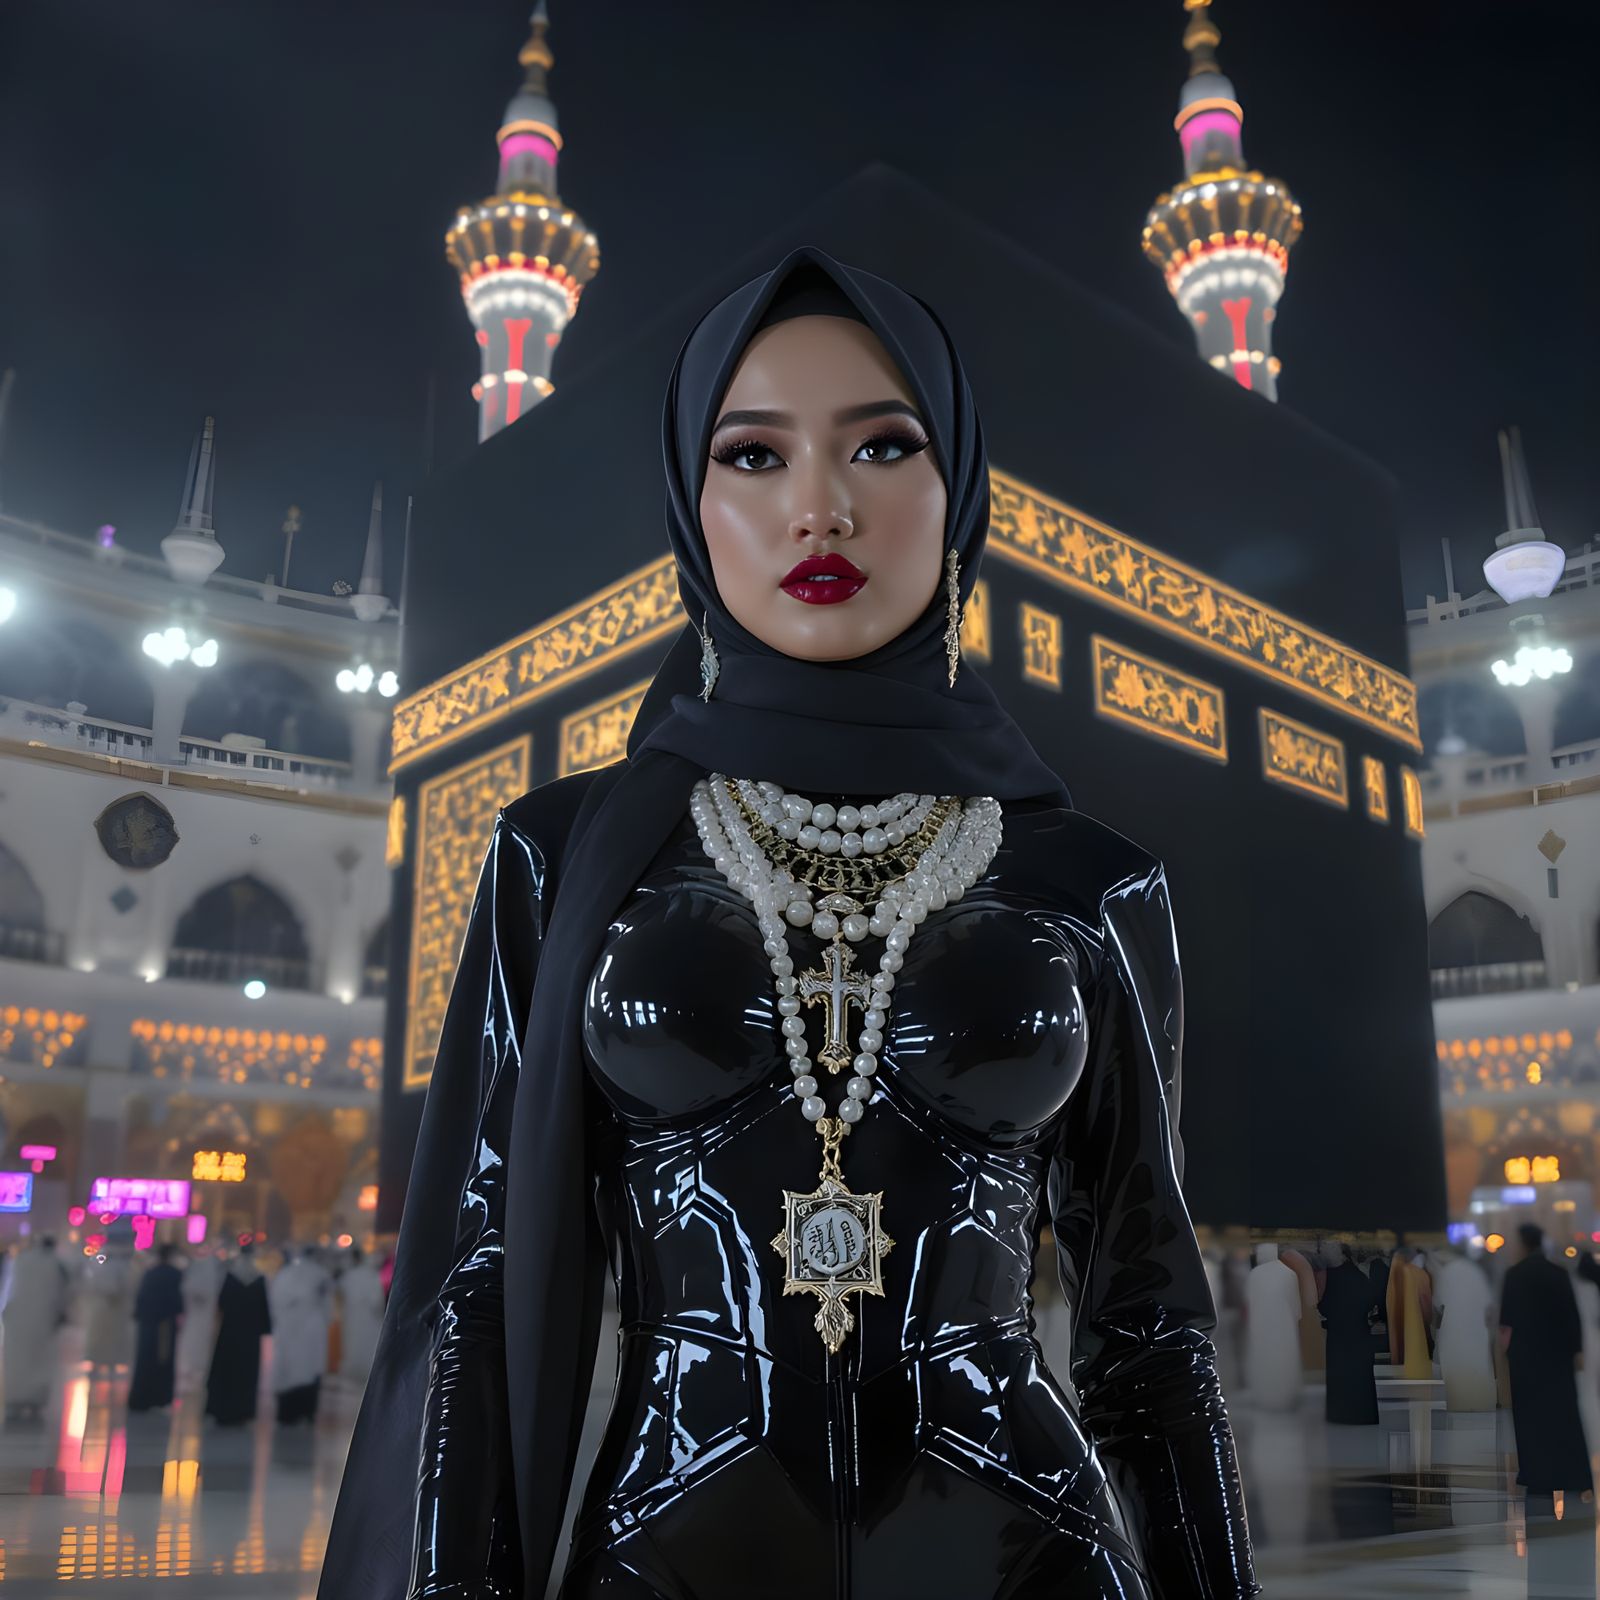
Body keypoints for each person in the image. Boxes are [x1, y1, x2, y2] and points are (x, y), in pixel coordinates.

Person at [317, 247, 1258, 1599]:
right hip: (668, 1554)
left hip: (1032, 1556)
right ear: (689, 502)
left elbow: (1151, 1334)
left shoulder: (1090, 883)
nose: (821, 507)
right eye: (754, 456)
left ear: (959, 487)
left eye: (883, 446)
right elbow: (476, 1290)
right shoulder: (567, 854)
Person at [1498, 1223, 1593, 1500]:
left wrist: (1505, 1354)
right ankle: (1572, 1473)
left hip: (1526, 1358)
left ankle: (1536, 1472)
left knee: (1531, 1419)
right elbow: (1572, 1316)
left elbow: (1507, 1321)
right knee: (1563, 1415)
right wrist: (1576, 1351)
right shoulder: (1558, 1273)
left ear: (1523, 1243)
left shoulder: (1514, 1275)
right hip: (1557, 1357)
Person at [2, 1237, 69, 1420]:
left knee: (17, 1360)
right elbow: (62, 1293)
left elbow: (8, 1289)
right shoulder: (55, 1264)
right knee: (39, 1360)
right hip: (43, 1319)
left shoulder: (20, 1261)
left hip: (17, 1319)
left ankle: (15, 1397)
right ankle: (35, 1399)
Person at [204, 1244, 271, 1426]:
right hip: (250, 1336)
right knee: (245, 1373)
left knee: (226, 1371)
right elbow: (264, 1310)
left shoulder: (230, 1277)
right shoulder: (258, 1279)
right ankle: (243, 1411)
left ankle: (221, 1409)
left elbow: (221, 1304)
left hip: (229, 1334)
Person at [1317, 1240, 1379, 1424]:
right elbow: (1369, 1299)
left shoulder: (1336, 1275)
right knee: (1354, 1374)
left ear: (1339, 1251)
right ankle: (1354, 1413)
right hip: (1354, 1333)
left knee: (1344, 1373)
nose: (1322, 1250)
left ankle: (1342, 1413)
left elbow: (1325, 1305)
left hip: (1343, 1334)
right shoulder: (1352, 1274)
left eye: (1326, 1246)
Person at [269, 1243, 330, 1424]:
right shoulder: (320, 1275)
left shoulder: (286, 1275)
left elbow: (275, 1303)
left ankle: (289, 1414)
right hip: (306, 1331)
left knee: (296, 1371)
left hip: (294, 1332)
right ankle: (305, 1412)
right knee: (306, 1372)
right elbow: (327, 1307)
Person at [1434, 1248, 1497, 1413]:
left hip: (1453, 1330)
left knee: (1456, 1365)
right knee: (1476, 1363)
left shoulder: (1446, 1273)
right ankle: (1479, 1403)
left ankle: (1457, 1403)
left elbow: (1438, 1304)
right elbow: (1489, 1306)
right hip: (1477, 1329)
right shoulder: (1477, 1272)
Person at [126, 1242, 184, 1412]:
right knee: (162, 1359)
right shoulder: (175, 1274)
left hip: (148, 1323)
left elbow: (141, 1298)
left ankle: (141, 1399)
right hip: (165, 1324)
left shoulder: (150, 1273)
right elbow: (177, 1301)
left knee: (145, 1359)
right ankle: (160, 1398)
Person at [80, 1239, 135, 1373]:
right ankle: (104, 1364)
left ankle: (101, 1364)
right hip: (107, 1311)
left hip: (106, 1311)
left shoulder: (102, 1267)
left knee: (103, 1340)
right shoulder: (119, 1268)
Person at [176, 1246, 224, 1391]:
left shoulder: (201, 1275)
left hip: (201, 1320)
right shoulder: (208, 1276)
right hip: (198, 1320)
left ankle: (194, 1371)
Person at [335, 1247, 385, 1385]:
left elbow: (340, 1295)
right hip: (369, 1319)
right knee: (368, 1345)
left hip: (353, 1318)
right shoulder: (371, 1275)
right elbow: (377, 1301)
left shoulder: (349, 1276)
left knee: (354, 1344)